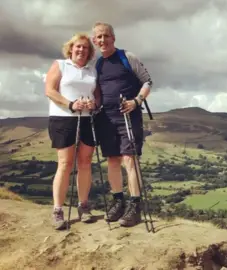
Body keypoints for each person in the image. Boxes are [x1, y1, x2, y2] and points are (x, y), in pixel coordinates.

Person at [91, 22, 153, 227]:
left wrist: (136, 101)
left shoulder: (127, 57)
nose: (102, 40)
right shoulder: (98, 64)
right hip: (106, 119)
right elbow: (99, 92)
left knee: (129, 159)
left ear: (113, 38)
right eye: (98, 37)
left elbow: (147, 81)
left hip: (128, 116)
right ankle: (118, 202)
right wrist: (94, 105)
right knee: (112, 160)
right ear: (94, 40)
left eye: (106, 36)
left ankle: (135, 206)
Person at [44, 33, 98, 230]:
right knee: (65, 163)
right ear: (71, 48)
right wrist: (71, 104)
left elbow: (97, 95)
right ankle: (58, 210)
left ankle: (83, 206)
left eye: (85, 47)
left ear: (90, 52)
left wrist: (93, 103)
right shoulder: (60, 65)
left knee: (85, 162)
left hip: (87, 119)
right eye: (78, 47)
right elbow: (50, 90)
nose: (81, 50)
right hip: (63, 118)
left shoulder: (92, 70)